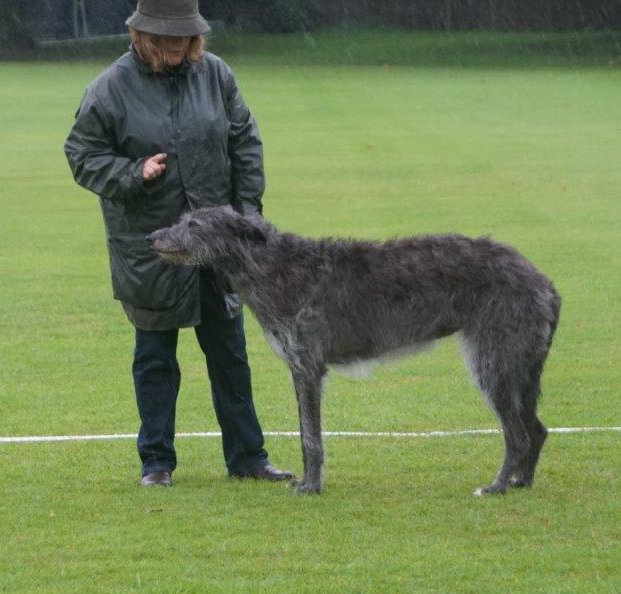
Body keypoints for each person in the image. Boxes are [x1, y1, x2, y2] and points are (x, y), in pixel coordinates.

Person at [64, 0, 293, 487]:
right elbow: (81, 154)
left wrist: (247, 217)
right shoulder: (110, 88)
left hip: (221, 247)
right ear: (142, 35)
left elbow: (245, 143)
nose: (175, 48)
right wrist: (132, 172)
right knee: (155, 358)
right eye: (165, 40)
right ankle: (157, 463)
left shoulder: (216, 75)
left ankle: (249, 458)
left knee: (230, 354)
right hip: (152, 248)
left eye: (182, 40)